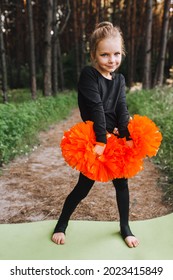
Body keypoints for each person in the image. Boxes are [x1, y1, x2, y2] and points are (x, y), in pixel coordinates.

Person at [52, 21, 139, 248]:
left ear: (122, 53)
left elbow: (121, 108)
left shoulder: (119, 80)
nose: (112, 60)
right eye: (105, 54)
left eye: (117, 53)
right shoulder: (89, 75)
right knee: (83, 187)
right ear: (93, 54)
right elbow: (97, 108)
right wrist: (102, 140)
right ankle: (61, 224)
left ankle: (125, 227)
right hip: (96, 139)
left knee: (122, 185)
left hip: (115, 139)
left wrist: (127, 135)